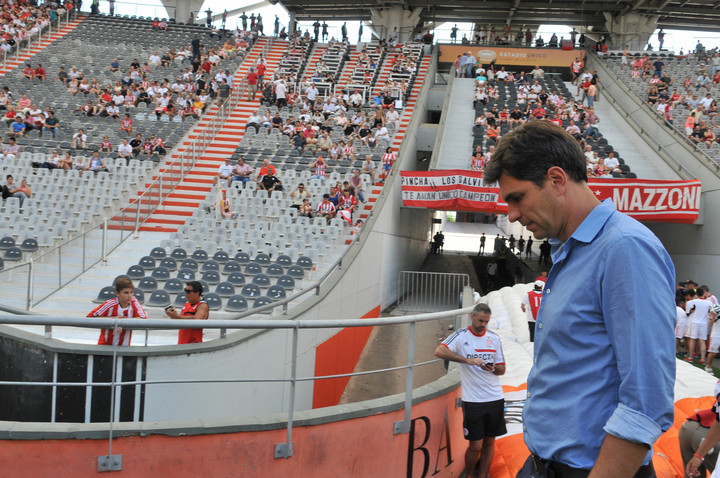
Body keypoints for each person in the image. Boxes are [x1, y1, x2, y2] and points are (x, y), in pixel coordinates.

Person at [484, 120, 675, 477]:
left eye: (517, 198)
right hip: (544, 464)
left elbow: (646, 400)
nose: (511, 214)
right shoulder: (570, 252)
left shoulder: (625, 249)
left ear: (557, 180)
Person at [434, 303, 506, 478]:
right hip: (473, 401)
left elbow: (502, 369)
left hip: (495, 397)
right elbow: (439, 351)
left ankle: (482, 475)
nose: (483, 325)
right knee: (475, 445)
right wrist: (467, 360)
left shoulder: (494, 338)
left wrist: (492, 368)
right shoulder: (460, 335)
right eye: (480, 320)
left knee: (490, 442)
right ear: (472, 317)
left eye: (486, 322)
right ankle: (469, 476)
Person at [87, 278, 146, 346]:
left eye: (131, 292)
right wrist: (112, 320)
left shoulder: (134, 301)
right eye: (126, 293)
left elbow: (143, 318)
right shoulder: (109, 304)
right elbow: (90, 318)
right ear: (117, 293)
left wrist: (122, 322)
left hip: (125, 347)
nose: (129, 296)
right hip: (105, 346)